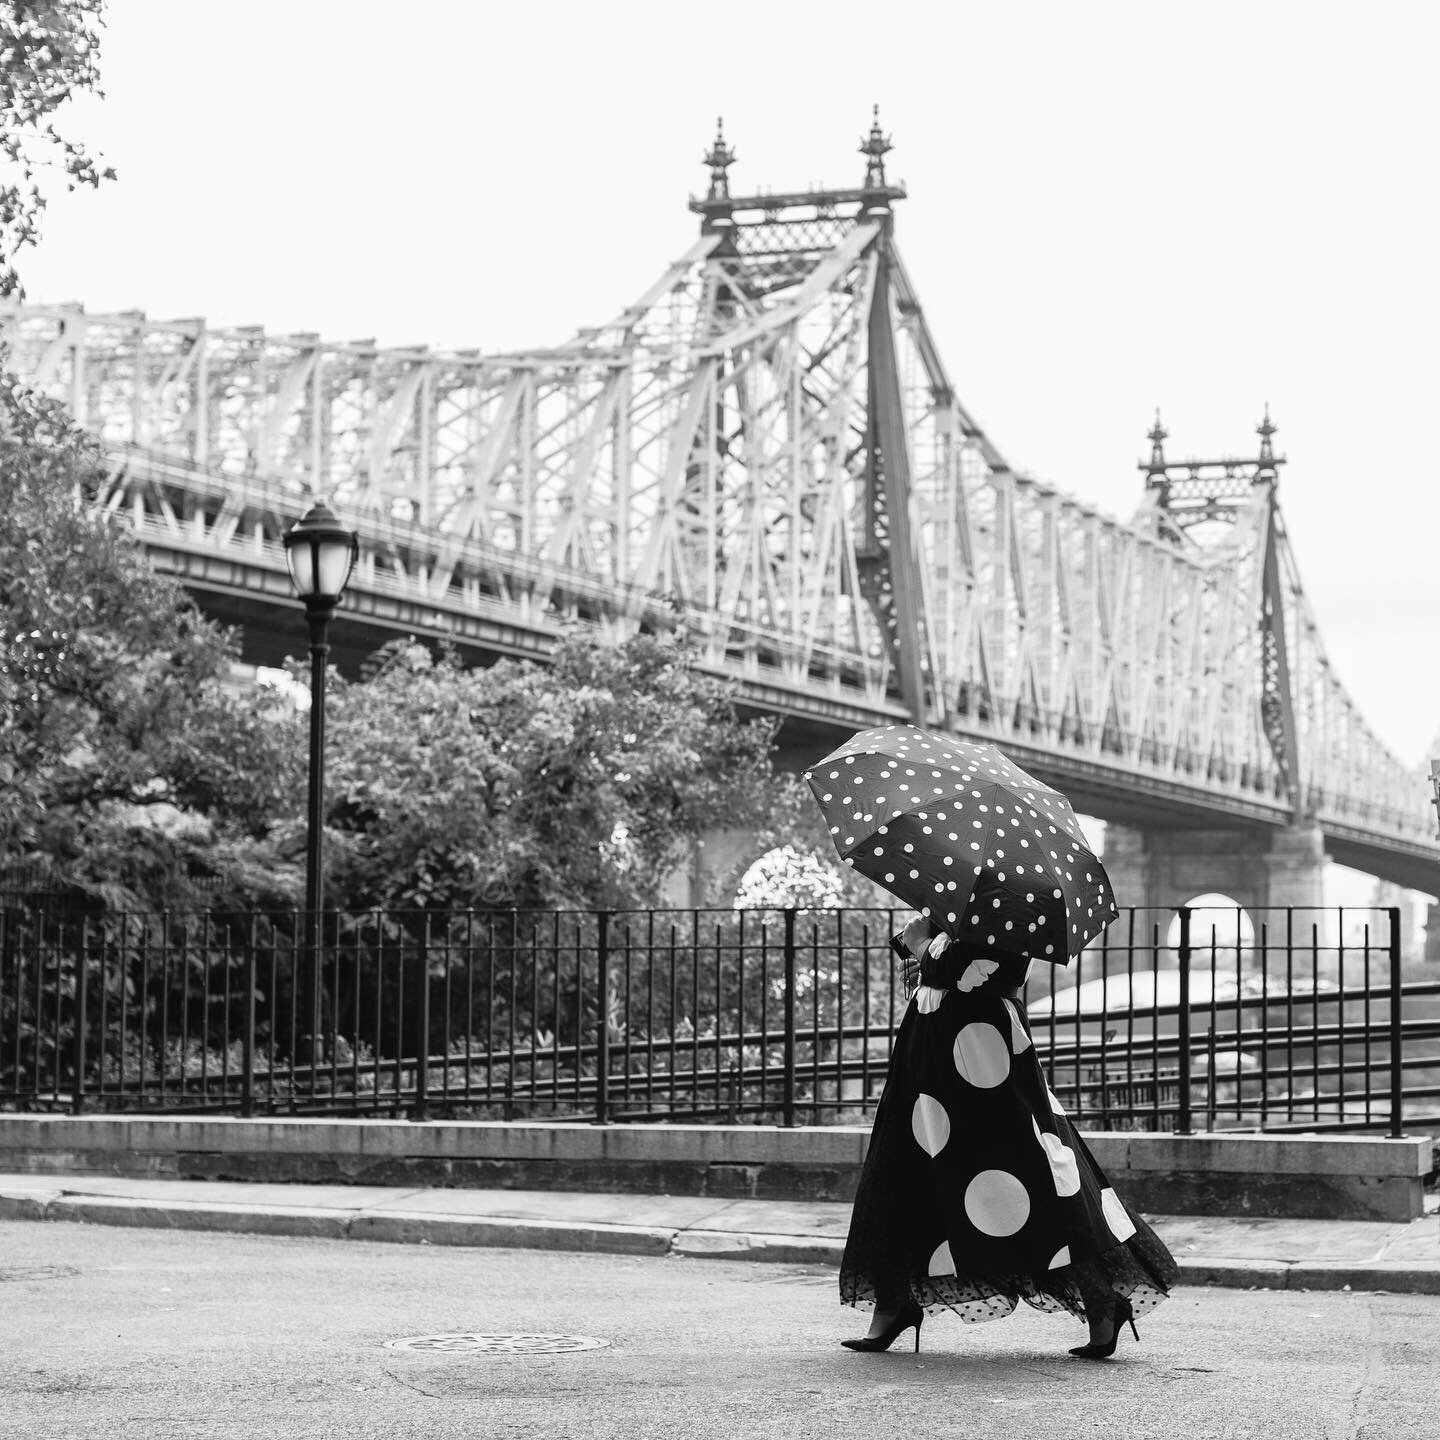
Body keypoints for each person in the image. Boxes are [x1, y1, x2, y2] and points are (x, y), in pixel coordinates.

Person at [839, 914, 1180, 1359]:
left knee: (1030, 1173)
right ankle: (893, 1303)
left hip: (984, 1056)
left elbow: (974, 971)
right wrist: (928, 940)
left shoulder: (1012, 902)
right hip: (931, 1051)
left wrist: (924, 945)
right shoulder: (961, 900)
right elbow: (944, 968)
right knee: (908, 1167)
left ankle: (1101, 1300)